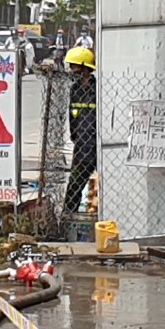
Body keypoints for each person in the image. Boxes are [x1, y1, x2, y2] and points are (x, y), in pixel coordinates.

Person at [60, 44, 98, 216]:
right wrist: (75, 136)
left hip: (98, 142)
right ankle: (68, 215)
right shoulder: (75, 89)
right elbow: (72, 114)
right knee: (75, 183)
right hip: (82, 144)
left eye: (74, 67)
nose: (71, 71)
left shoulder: (98, 89)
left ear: (84, 68)